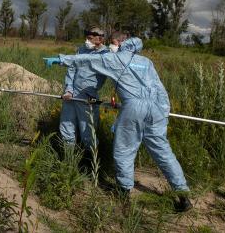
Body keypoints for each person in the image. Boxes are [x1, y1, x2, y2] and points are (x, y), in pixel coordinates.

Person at [45, 37, 193, 212]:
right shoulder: (146, 62)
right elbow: (159, 89)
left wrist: (60, 59)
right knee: (163, 152)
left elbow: (86, 59)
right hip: (158, 108)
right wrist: (162, 114)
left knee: (124, 150)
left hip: (134, 108)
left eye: (114, 42)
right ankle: (183, 196)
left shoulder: (115, 59)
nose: (111, 45)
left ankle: (123, 192)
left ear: (121, 45)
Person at [59, 27, 109, 151]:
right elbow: (72, 69)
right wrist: (69, 89)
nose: (87, 41)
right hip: (70, 96)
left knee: (87, 130)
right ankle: (68, 157)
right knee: (66, 126)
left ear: (100, 38)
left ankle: (89, 161)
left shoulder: (106, 55)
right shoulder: (81, 49)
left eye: (90, 39)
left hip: (88, 97)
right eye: (87, 38)